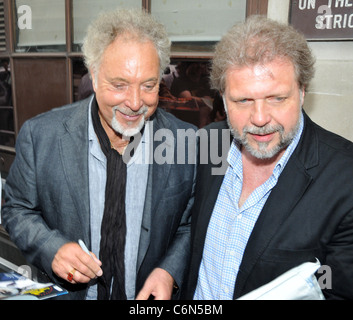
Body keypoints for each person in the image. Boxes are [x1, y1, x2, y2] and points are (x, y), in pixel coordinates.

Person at [2, 8, 196, 300]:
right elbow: (16, 208)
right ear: (93, 75)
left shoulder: (187, 141)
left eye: (148, 85)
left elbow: (191, 224)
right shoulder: (40, 136)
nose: (135, 103)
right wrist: (50, 248)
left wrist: (169, 271)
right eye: (119, 85)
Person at [183, 15, 353, 300]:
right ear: (223, 100)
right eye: (243, 100)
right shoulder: (208, 143)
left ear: (301, 93)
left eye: (276, 98)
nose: (260, 118)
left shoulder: (345, 180)